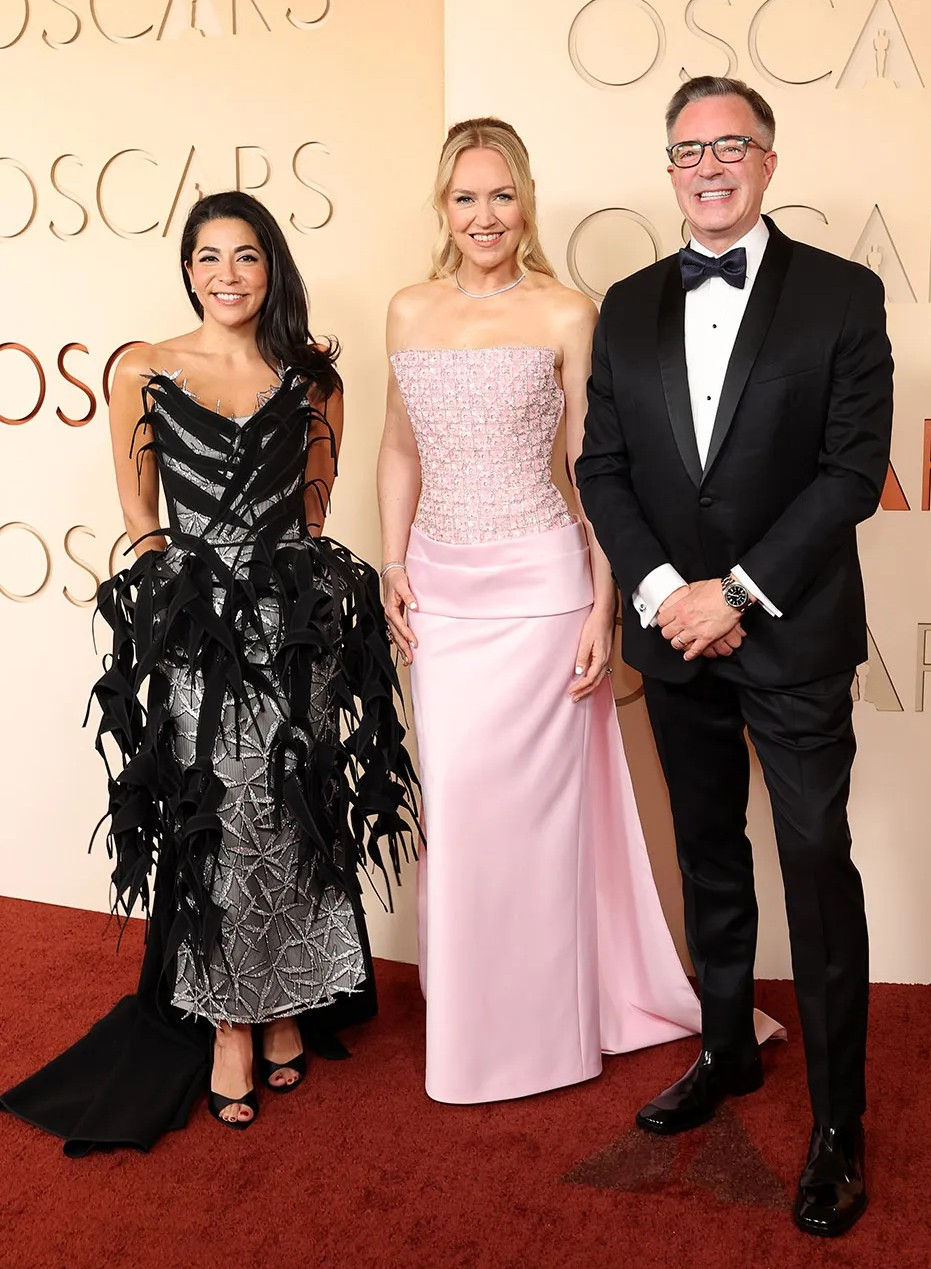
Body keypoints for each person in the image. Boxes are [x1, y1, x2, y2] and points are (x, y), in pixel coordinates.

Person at [1, 191, 418, 1150]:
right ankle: (231, 1018)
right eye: (208, 257)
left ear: (272, 269)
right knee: (218, 815)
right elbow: (140, 515)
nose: (227, 275)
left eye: (246, 256)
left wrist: (290, 608)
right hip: (197, 624)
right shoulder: (144, 369)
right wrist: (179, 610)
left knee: (293, 802)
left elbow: (312, 512)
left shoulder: (313, 378)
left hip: (292, 624)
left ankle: (288, 1001)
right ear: (187, 269)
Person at [576, 76, 893, 1237]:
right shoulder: (625, 306)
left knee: (814, 864)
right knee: (708, 851)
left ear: (766, 160)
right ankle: (724, 1049)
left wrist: (738, 595)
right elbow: (601, 467)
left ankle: (837, 1125)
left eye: (730, 146)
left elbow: (849, 472)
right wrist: (665, 595)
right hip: (673, 637)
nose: (708, 166)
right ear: (668, 167)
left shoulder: (843, 295)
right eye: (688, 150)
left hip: (790, 632)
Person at [378, 116, 738, 1106]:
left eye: (501, 195)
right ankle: (472, 1028)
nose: (484, 216)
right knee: (459, 816)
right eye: (465, 197)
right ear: (442, 206)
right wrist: (391, 562)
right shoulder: (407, 310)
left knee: (538, 822)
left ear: (525, 202)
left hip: (544, 590)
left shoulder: (568, 312)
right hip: (441, 597)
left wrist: (602, 607)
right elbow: (399, 447)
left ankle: (546, 1036)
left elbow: (594, 471)